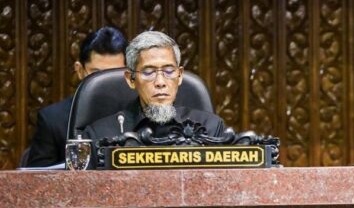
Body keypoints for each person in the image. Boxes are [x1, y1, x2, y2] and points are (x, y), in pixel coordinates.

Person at [83, 31, 224, 146]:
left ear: (180, 75)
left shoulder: (210, 128)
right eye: (148, 72)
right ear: (131, 79)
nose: (160, 82)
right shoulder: (100, 134)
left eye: (169, 71)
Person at [25, 27, 128, 167]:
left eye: (113, 74)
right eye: (97, 74)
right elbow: (37, 178)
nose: (105, 83)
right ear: (79, 70)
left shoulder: (141, 114)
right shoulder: (52, 120)